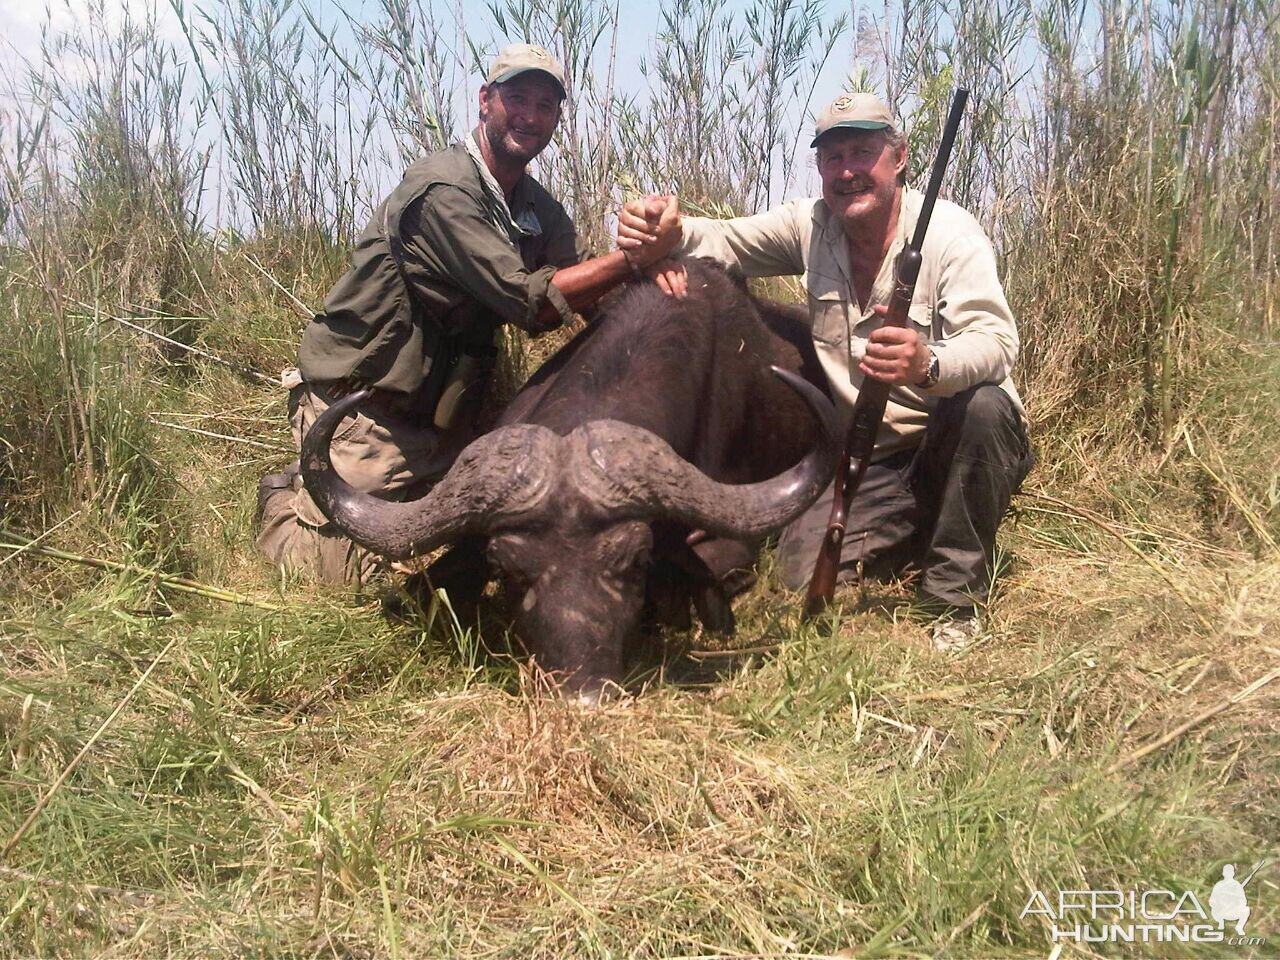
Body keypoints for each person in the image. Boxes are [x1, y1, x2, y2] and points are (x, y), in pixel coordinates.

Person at [617, 92, 1033, 649]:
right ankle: (936, 523)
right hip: (873, 455)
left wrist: (927, 363)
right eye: (833, 158)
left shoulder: (950, 234)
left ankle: (952, 600)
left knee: (983, 406)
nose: (848, 172)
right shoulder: (811, 226)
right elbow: (722, 239)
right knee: (798, 573)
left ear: (899, 157)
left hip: (954, 436)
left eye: (863, 152)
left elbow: (998, 343)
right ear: (819, 167)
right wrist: (663, 233)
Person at [258, 43, 680, 583]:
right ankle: (280, 499)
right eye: (517, 98)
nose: (529, 116)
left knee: (487, 553)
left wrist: (658, 271)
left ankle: (382, 489)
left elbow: (586, 301)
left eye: (546, 105)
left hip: (451, 419)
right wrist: (630, 258)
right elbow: (526, 300)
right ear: (485, 101)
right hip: (366, 411)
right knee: (347, 578)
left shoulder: (541, 209)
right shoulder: (443, 191)